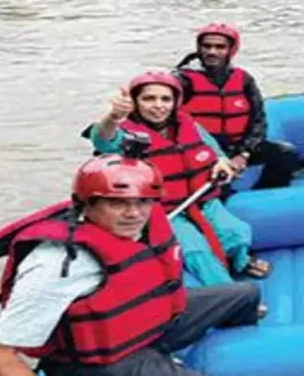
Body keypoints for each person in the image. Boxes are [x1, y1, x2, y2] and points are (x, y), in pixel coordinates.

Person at [0, 154, 262, 376]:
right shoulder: (57, 264)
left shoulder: (148, 222)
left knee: (245, 293)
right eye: (117, 203)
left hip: (151, 321)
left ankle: (245, 345)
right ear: (86, 204)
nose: (134, 214)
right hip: (96, 363)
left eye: (142, 202)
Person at [88, 70, 272, 283]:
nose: (158, 106)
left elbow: (214, 150)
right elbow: (102, 139)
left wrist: (221, 162)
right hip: (163, 210)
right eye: (149, 99)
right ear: (135, 102)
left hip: (201, 200)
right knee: (195, 250)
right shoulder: (125, 135)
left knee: (236, 232)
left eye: (165, 99)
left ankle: (241, 261)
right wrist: (113, 117)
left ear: (175, 102)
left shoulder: (190, 125)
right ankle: (228, 291)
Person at [175, 22, 300, 191]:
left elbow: (257, 121)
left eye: (220, 47)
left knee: (285, 152)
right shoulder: (183, 80)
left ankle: (263, 194)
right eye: (206, 46)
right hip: (200, 150)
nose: (212, 52)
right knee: (221, 185)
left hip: (237, 148)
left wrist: (243, 154)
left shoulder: (243, 79)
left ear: (231, 50)